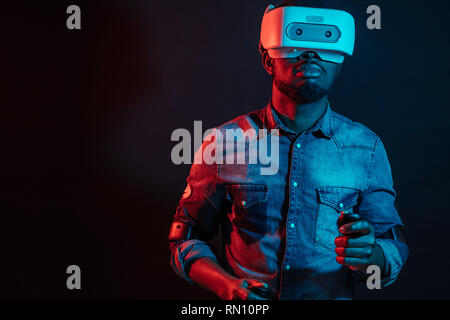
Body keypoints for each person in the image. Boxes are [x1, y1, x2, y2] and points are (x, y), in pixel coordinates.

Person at [168, 0, 409, 300]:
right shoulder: (222, 144)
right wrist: (226, 286)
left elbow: (392, 245)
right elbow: (185, 238)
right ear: (268, 59)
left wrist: (371, 255)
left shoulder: (367, 149)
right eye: (296, 40)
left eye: (324, 44)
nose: (310, 55)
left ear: (339, 64)